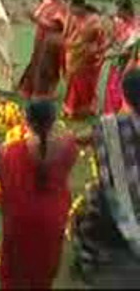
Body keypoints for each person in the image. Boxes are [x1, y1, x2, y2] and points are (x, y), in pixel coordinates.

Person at [0, 100, 79, 289]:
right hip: (53, 216)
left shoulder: (13, 151)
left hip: (20, 218)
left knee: (16, 269)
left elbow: (4, 181)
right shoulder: (68, 147)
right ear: (54, 121)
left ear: (26, 121)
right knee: (43, 267)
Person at [72, 69, 140, 287]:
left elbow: (87, 136)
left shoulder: (111, 126)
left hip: (113, 209)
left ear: (125, 96)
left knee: (87, 217)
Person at [19, 0, 68, 99]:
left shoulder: (62, 6)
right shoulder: (47, 2)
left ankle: (44, 92)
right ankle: (30, 89)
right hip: (41, 37)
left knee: (47, 65)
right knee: (36, 61)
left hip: (52, 40)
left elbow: (57, 26)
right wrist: (32, 16)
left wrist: (37, 20)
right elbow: (37, 16)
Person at [63, 0, 107, 119]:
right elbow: (72, 34)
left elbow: (89, 38)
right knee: (74, 81)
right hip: (77, 53)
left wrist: (71, 45)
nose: (70, 11)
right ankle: (71, 108)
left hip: (89, 56)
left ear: (80, 7)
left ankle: (83, 110)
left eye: (72, 8)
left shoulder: (94, 20)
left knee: (83, 83)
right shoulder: (76, 17)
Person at [104, 0, 138, 115]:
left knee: (121, 90)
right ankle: (110, 114)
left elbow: (131, 52)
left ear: (126, 11)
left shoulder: (136, 28)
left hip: (127, 65)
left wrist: (112, 54)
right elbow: (113, 38)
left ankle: (119, 116)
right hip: (116, 63)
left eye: (118, 10)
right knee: (111, 88)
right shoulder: (120, 22)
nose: (116, 12)